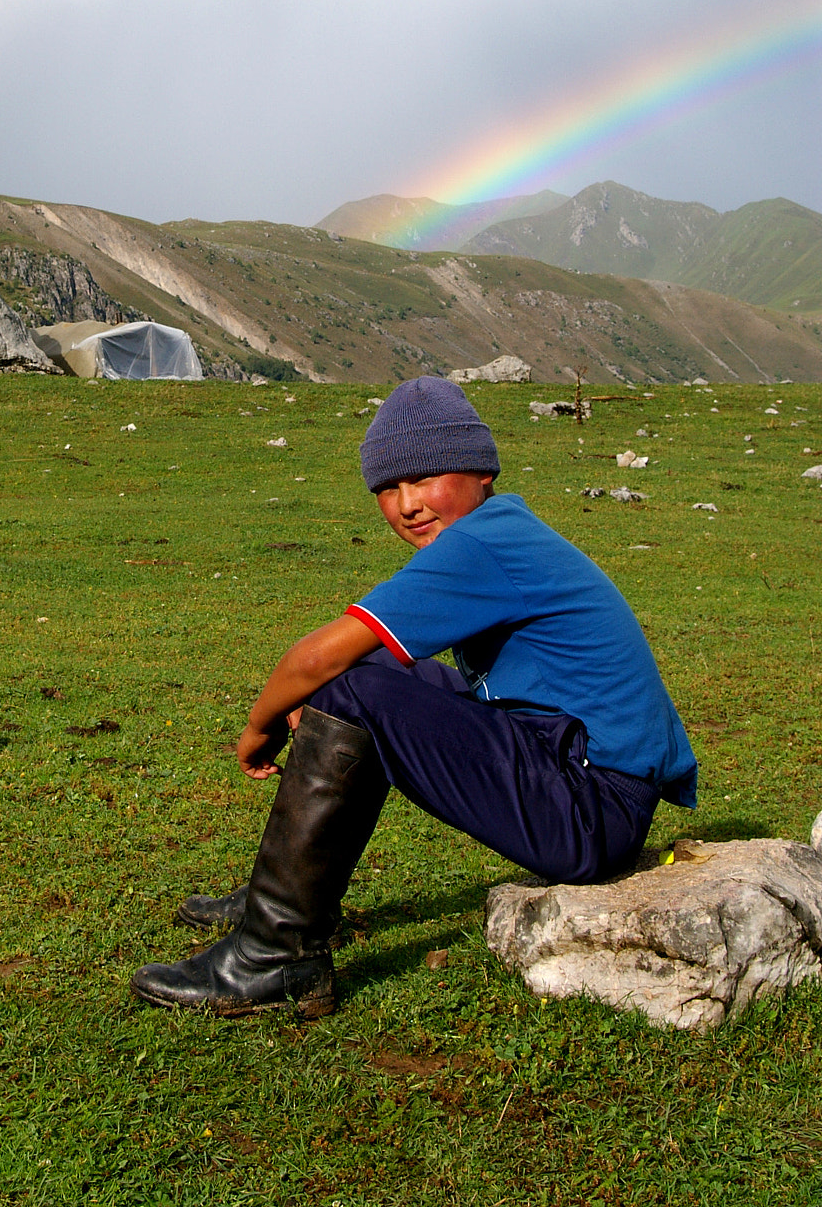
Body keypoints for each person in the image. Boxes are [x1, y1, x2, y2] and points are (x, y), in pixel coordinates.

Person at [130, 376, 697, 1019]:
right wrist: (322, 693)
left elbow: (316, 656)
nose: (407, 505)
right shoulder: (502, 531)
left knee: (353, 685)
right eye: (388, 488)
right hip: (578, 771)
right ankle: (288, 897)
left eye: (425, 478)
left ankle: (274, 955)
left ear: (481, 471)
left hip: (593, 810)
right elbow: (349, 664)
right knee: (361, 681)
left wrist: (259, 726)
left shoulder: (484, 544)